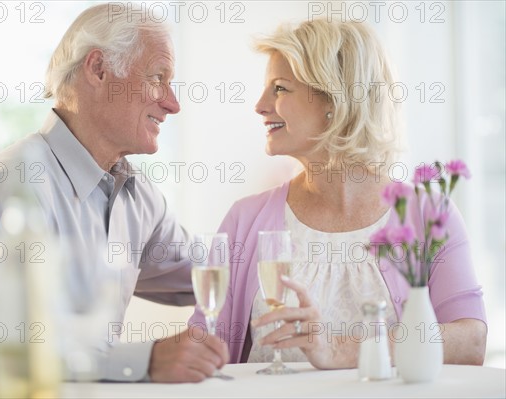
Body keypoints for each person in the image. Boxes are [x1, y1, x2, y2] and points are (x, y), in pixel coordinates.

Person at [0, 3, 228, 397]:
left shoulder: (137, 196)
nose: (173, 103)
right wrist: (146, 361)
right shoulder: (15, 184)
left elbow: (205, 275)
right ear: (98, 69)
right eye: (158, 78)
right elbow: (6, 351)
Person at [189, 18, 487, 368]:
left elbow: (470, 340)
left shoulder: (427, 214)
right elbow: (204, 346)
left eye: (280, 88)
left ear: (335, 99)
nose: (259, 105)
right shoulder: (245, 219)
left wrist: (340, 350)